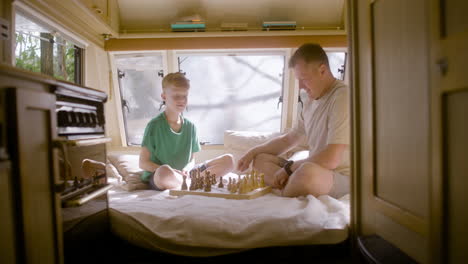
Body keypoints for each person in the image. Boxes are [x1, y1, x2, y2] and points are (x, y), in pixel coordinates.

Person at [237, 43, 350, 198]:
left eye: (304, 79)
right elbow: (288, 140)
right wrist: (253, 152)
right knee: (260, 160)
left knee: (306, 173)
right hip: (312, 168)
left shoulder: (342, 96)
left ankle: (286, 189)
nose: (301, 87)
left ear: (322, 70)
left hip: (337, 176)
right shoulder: (310, 100)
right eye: (298, 80)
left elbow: (331, 159)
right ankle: (290, 187)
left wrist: (289, 169)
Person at [139, 72, 234, 191]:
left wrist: (188, 169)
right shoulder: (153, 126)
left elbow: (191, 159)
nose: (182, 100)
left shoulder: (191, 127)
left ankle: (190, 182)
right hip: (164, 174)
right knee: (163, 172)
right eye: (176, 96)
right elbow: (143, 163)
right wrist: (172, 171)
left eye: (185, 96)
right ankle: (188, 183)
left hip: (187, 173)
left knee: (228, 160)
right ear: (164, 96)